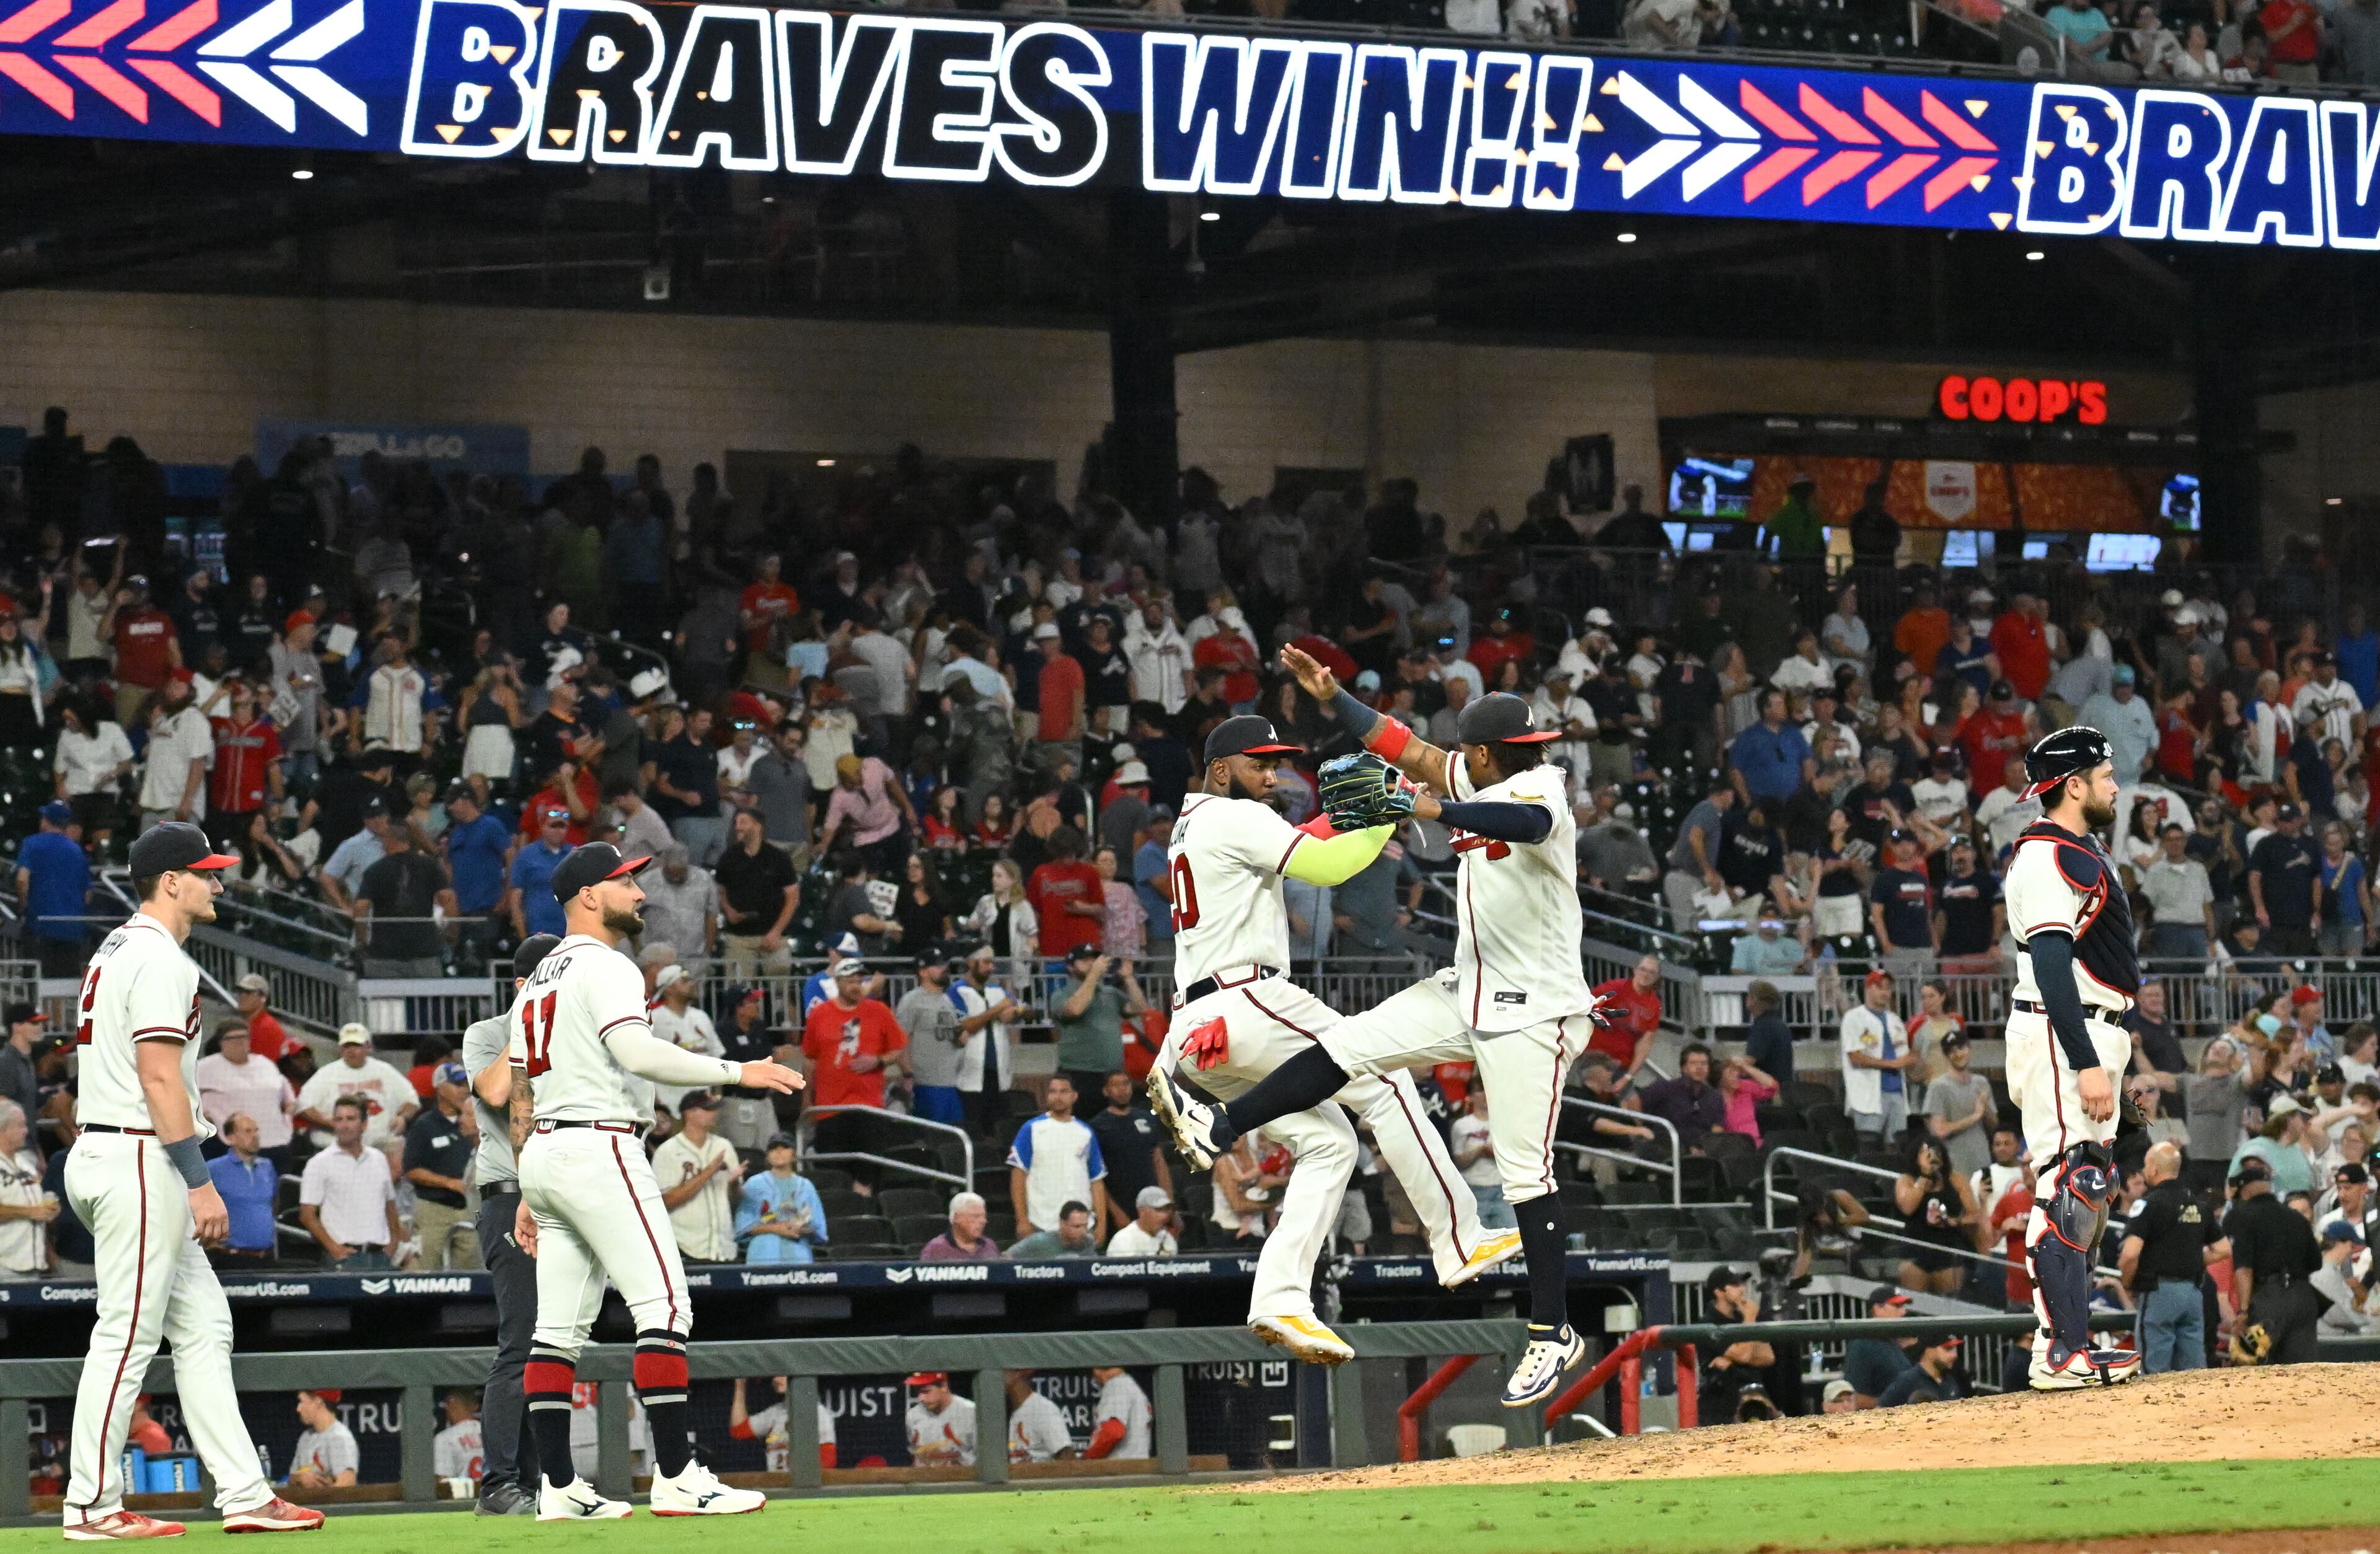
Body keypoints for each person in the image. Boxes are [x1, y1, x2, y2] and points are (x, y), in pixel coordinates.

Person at [1137, 703, 1514, 1371]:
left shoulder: (1197, 822)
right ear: (1220, 768)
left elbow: (1304, 839)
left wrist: (1351, 816)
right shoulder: (1235, 814)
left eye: (1279, 765)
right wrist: (1383, 817)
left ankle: (1279, 1297)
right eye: (1261, 764)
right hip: (1248, 998)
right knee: (1386, 1075)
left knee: (1329, 1144)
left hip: (1206, 1024)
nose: (1275, 775)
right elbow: (1325, 867)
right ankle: (1458, 1239)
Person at [503, 840, 801, 1519]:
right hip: (600, 1146)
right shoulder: (604, 965)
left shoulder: (539, 978)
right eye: (624, 882)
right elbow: (635, 1051)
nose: (639, 894)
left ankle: (558, 1487)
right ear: (589, 897)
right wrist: (739, 1071)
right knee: (665, 1308)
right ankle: (676, 1476)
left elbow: (522, 1092)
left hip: (549, 1151)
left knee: (556, 1331)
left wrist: (529, 1184)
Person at [59, 822, 325, 1537]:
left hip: (117, 1152)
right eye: (205, 873)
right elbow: (157, 1077)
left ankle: (244, 1493)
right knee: (126, 1336)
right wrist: (197, 1179)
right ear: (170, 881)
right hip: (139, 1157)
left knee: (205, 1325)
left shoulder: (119, 946)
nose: (217, 882)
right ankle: (91, 1503)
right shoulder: (158, 957)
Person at [2001, 726, 2143, 1390]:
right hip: (2063, 1035)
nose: (2116, 784)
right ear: (2075, 784)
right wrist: (2087, 1060)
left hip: (2086, 1032)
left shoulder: (2077, 850)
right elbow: (2054, 966)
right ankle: (2064, 1352)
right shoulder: (2048, 856)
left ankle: (2062, 1346)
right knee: (2070, 1185)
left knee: (2086, 1189)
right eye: (2106, 773)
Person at [459, 933, 562, 1517]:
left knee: (551, 1345)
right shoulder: (490, 1032)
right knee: (520, 1340)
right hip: (508, 1200)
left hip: (560, 1202)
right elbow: (498, 1093)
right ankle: (498, 1483)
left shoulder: (571, 1034)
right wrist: (529, 1018)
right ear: (525, 983)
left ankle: (535, 1480)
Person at [2118, 1141, 2226, 1374]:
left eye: (2146, 1165)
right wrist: (2193, 1260)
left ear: (2154, 1169)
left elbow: (2130, 1254)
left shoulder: (2147, 1205)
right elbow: (2224, 1249)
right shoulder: (2199, 1206)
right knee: (2193, 1371)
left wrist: (2127, 1283)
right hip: (2193, 1294)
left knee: (2154, 1372)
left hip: (2159, 1294)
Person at [2225, 1154, 2322, 1365]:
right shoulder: (2296, 1218)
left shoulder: (2239, 1216)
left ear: (2246, 1190)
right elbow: (2316, 1262)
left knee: (2248, 1362)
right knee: (2302, 1371)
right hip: (2304, 1300)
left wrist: (2243, 1312)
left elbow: (2244, 1268)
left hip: (2269, 1303)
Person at [298, 1097, 401, 1270]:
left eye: (351, 1119)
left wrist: (394, 1243)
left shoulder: (379, 1159)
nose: (344, 1125)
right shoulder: (319, 1163)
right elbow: (307, 1215)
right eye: (339, 1120)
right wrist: (334, 1249)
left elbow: (389, 1204)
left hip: (380, 1257)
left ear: (364, 1125)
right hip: (344, 1259)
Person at [402, 1064, 480, 1271]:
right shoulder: (424, 1125)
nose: (464, 1090)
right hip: (433, 1210)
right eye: (457, 1085)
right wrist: (449, 1183)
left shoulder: (475, 1122)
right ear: (440, 1088)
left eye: (466, 1084)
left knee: (471, 1270)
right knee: (424, 1270)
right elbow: (411, 1169)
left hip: (468, 1209)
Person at [651, 1091, 743, 1265]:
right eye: (707, 1109)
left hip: (724, 1249)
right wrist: (709, 1171)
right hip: (684, 1248)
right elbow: (666, 1202)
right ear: (690, 1113)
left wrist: (734, 1185)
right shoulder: (668, 1151)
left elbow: (735, 1202)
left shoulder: (724, 1146)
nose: (714, 1113)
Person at [1086, 1069, 1171, 1242]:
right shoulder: (1097, 1126)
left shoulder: (1146, 1119)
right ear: (1106, 1091)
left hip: (1151, 1204)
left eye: (1125, 1084)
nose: (1122, 1089)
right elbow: (1096, 1176)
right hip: (1120, 1205)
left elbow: (1159, 1161)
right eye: (1115, 1085)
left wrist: (1169, 1205)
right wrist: (1115, 1212)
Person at [1052, 947, 1148, 1100]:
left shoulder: (1110, 992)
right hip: (1078, 1073)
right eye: (1084, 961)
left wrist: (1129, 978)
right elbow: (1075, 1009)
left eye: (1094, 960)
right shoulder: (1062, 994)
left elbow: (1139, 1008)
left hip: (1112, 1074)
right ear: (1070, 967)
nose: (1091, 964)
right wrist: (1094, 974)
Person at [1893, 1135, 1978, 1296]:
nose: (1932, 1158)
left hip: (1949, 1249)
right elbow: (1907, 1208)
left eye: (1936, 1153)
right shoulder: (1907, 1180)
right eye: (1926, 1154)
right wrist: (1925, 1177)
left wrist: (1955, 1221)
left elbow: (1974, 1216)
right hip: (1916, 1250)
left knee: (1952, 1302)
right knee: (1916, 1304)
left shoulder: (1956, 1180)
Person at [1840, 968, 1918, 1143]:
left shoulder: (1895, 1020)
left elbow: (1904, 1058)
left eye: (1888, 988)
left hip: (1897, 1092)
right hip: (1867, 1095)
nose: (1885, 992)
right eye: (1879, 987)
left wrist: (1913, 1064)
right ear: (1868, 989)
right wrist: (1894, 1064)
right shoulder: (1853, 1017)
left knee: (1898, 1145)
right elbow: (1856, 1058)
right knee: (1869, 1146)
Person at [736, 1133, 827, 1266]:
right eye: (773, 1148)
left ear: (794, 1154)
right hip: (763, 1257)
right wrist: (777, 1228)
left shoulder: (806, 1186)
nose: (779, 1151)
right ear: (767, 1156)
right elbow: (744, 1226)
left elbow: (818, 1228)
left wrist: (798, 1229)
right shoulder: (754, 1184)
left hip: (798, 1258)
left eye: (785, 1147)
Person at [203, 1112, 278, 1262]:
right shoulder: (214, 1169)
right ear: (230, 1138)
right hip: (229, 1258)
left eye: (256, 1130)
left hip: (266, 1257)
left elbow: (274, 1203)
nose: (255, 1136)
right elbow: (192, 1205)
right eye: (248, 1131)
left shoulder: (267, 1167)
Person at [728, 1375, 837, 1475]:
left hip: (802, 1491)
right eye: (774, 1375)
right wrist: (740, 1386)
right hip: (777, 1487)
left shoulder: (817, 1412)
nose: (775, 1379)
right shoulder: (775, 1412)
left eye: (782, 1374)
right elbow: (739, 1430)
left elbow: (828, 1460)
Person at [287, 1390, 358, 1489]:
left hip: (324, 1503)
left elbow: (346, 1486)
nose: (299, 1409)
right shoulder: (306, 1437)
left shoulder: (340, 1437)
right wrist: (301, 1478)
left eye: (302, 1401)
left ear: (318, 1402)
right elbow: (291, 1479)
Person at [905, 1373, 977, 1468]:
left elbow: (987, 1456)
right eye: (918, 1392)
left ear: (944, 1386)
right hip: (926, 1479)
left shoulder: (971, 1412)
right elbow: (916, 1455)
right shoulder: (913, 1415)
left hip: (966, 1479)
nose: (921, 1398)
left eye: (926, 1391)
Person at [1874, 1334, 1967, 1407]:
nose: (1954, 1355)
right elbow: (1880, 1410)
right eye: (1948, 1349)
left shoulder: (1950, 1381)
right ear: (1929, 1352)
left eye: (1955, 1349)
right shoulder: (1908, 1380)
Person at [1084, 1366, 1153, 1460]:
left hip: (1121, 1469)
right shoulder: (1130, 1385)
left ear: (1096, 1371)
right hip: (1134, 1467)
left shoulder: (1117, 1384)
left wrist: (1087, 1460)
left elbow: (1113, 1432)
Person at [919, 1191, 1005, 1261]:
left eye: (984, 1217)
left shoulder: (989, 1246)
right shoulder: (935, 1249)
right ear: (957, 1218)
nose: (983, 1221)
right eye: (976, 1216)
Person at [1008, 1199, 1099, 1259]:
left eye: (1085, 1226)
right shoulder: (1039, 1241)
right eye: (1077, 1227)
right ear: (1062, 1223)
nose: (1083, 1232)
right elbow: (1007, 1257)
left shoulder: (1088, 1242)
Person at [1106, 1185, 1179, 1256]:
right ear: (1142, 1212)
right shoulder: (1124, 1239)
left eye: (1166, 1210)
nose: (1165, 1215)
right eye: (1159, 1210)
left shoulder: (1168, 1239)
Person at [433, 1390, 487, 1486]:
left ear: (450, 1405)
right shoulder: (493, 1434)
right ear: (475, 1406)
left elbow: (443, 1482)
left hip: (465, 1499)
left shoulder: (445, 1438)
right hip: (495, 1498)